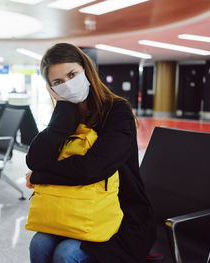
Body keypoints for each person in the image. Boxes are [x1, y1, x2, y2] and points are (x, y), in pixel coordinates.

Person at [25, 43, 156, 263]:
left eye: (72, 74)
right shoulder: (68, 116)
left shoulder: (117, 111)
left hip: (122, 215)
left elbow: (90, 169)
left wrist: (40, 177)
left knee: (66, 254)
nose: (67, 84)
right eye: (58, 82)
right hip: (73, 210)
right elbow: (35, 159)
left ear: (86, 69)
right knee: (39, 244)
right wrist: (63, 108)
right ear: (51, 89)